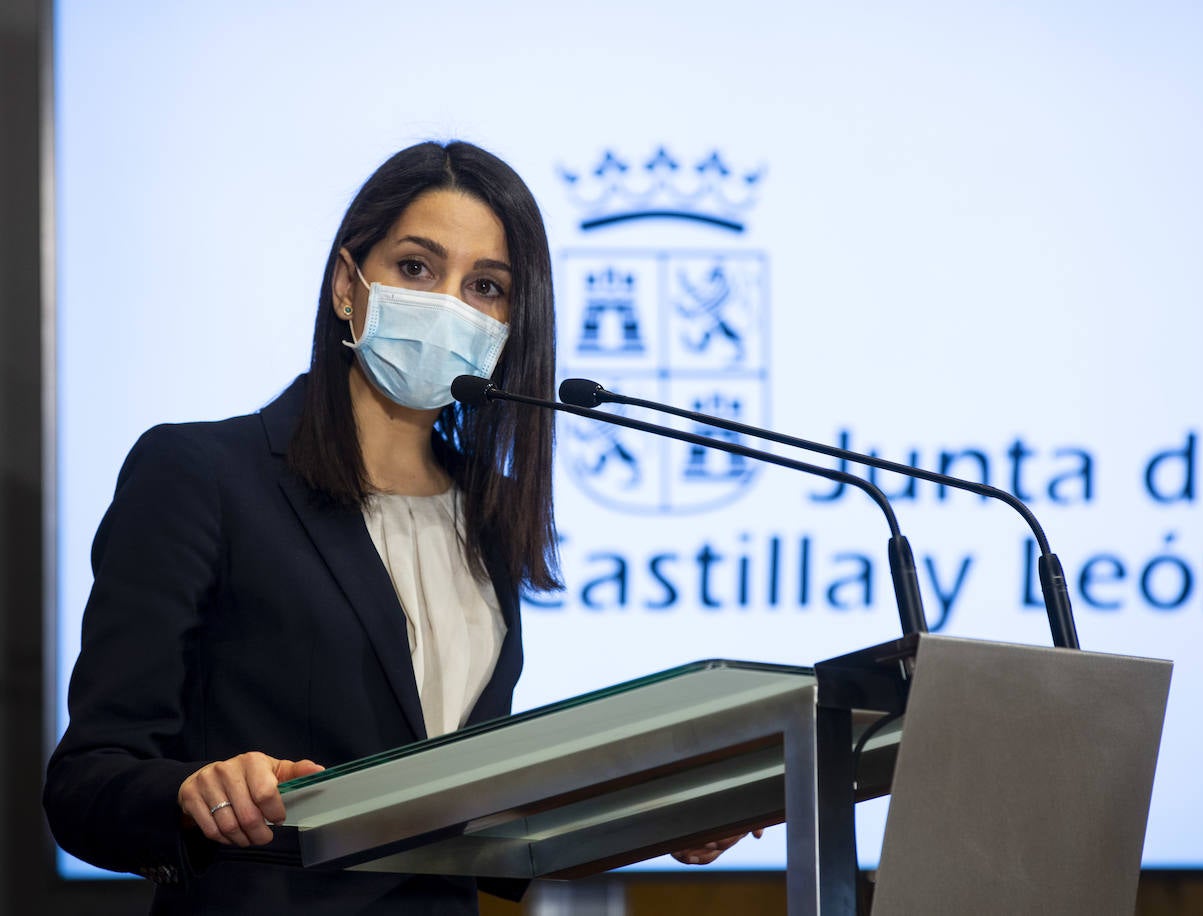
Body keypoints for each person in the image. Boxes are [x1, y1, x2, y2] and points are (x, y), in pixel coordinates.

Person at [44, 140, 752, 915]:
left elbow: (466, 813)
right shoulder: (201, 473)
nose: (449, 305)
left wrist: (656, 813)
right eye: (417, 268)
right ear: (349, 284)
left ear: (514, 324)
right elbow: (87, 781)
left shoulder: (489, 511)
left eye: (486, 286)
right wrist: (191, 789)